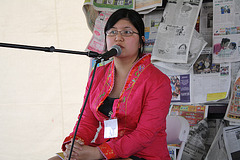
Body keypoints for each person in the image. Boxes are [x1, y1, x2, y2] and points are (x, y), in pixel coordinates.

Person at [49, 8, 172, 160]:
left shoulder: (158, 81)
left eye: (127, 32)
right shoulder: (98, 74)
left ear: (141, 41)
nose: (118, 38)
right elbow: (87, 120)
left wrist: (98, 153)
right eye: (112, 32)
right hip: (103, 148)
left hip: (141, 154)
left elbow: (144, 134)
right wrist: (75, 144)